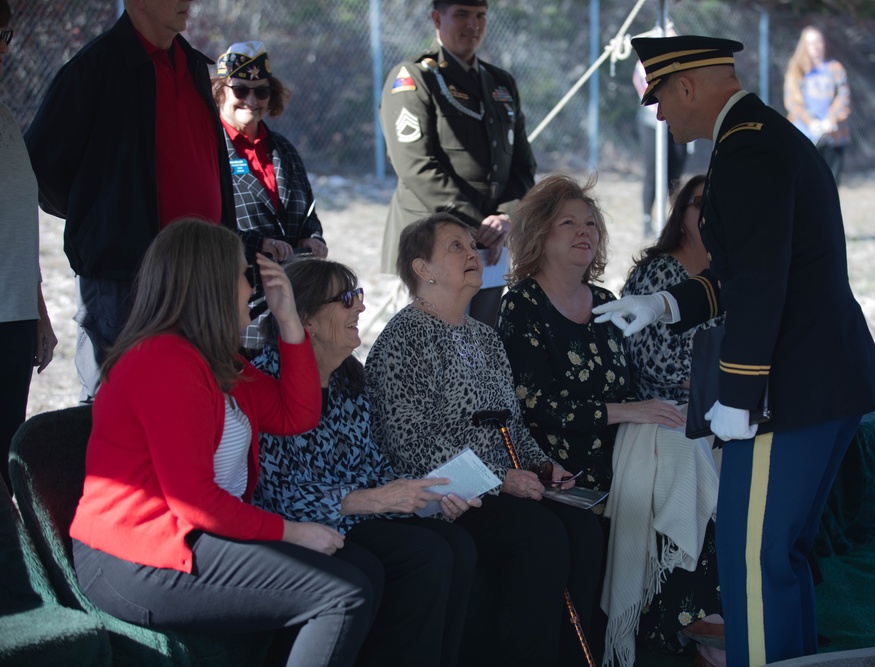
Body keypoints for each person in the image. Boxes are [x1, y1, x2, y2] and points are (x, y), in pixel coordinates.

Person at [594, 36, 875, 667]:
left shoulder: (748, 149)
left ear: (687, 86)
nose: (658, 113)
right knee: (780, 556)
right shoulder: (759, 137)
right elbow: (746, 270)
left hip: (788, 387)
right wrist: (665, 304)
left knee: (753, 559)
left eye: (659, 97)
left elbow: (760, 283)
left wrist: (738, 395)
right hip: (819, 379)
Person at [69, 220, 376, 666]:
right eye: (242, 274)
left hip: (197, 536)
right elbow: (193, 502)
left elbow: (296, 415)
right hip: (137, 558)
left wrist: (290, 322)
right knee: (343, 594)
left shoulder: (215, 359)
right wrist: (292, 531)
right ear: (211, 285)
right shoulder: (163, 362)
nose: (252, 286)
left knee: (361, 570)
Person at [497, 174, 723, 665]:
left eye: (591, 223)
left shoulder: (603, 301)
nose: (585, 232)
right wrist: (626, 412)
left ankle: (692, 620)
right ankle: (689, 621)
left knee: (687, 440)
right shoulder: (522, 304)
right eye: (568, 223)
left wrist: (642, 413)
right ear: (539, 234)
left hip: (616, 448)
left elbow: (625, 384)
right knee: (677, 449)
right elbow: (534, 404)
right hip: (560, 464)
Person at [365, 212, 603, 666]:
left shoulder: (485, 337)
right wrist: (499, 479)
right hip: (448, 495)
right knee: (539, 535)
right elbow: (409, 442)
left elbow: (512, 426)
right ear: (423, 268)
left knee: (584, 528)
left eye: (471, 245)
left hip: (501, 485)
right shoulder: (405, 337)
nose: (472, 253)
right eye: (455, 246)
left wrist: (542, 465)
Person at [253, 258, 478, 667]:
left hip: (354, 517)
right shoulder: (267, 381)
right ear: (307, 320)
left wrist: (429, 492)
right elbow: (278, 495)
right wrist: (375, 500)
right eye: (346, 299)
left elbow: (372, 466)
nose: (360, 305)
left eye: (357, 294)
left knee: (458, 544)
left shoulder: (348, 378)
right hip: (305, 525)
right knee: (424, 554)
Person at [25, 0, 236, 402]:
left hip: (198, 275)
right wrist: (103, 217)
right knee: (117, 404)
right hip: (125, 279)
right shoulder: (94, 70)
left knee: (189, 403)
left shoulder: (192, 64)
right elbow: (40, 166)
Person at [378, 0, 537, 326]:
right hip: (431, 244)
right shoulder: (414, 78)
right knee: (431, 343)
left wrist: (505, 216)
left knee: (482, 341)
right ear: (437, 18)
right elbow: (415, 166)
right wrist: (478, 225)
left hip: (490, 246)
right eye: (462, 14)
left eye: (480, 16)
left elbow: (523, 167)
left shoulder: (500, 83)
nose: (473, 25)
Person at [213, 41, 329, 356]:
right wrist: (257, 244)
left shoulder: (284, 149)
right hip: (235, 305)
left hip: (293, 302)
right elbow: (204, 226)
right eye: (240, 90)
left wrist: (312, 236)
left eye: (261, 91)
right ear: (220, 91)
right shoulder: (208, 147)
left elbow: (308, 212)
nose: (251, 100)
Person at [0, 0, 58, 493]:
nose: (3, 49)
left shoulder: (5, 120)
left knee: (6, 457)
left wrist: (38, 310)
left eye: (6, 36)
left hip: (14, 317)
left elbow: (18, 224)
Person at [622, 175, 722, 405]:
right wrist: (725, 386)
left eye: (719, 203)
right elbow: (653, 360)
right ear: (680, 215)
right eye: (701, 202)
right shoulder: (657, 272)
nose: (711, 210)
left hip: (721, 400)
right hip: (667, 409)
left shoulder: (731, 273)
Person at [632, 23, 688, 237]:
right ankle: (647, 220)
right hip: (652, 122)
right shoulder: (645, 61)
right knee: (653, 172)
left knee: (675, 174)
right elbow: (643, 88)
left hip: (678, 122)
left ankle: (674, 222)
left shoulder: (682, 59)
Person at [783, 26, 851, 184]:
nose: (816, 46)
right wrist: (811, 122)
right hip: (804, 138)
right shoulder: (796, 70)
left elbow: (843, 97)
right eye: (811, 43)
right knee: (805, 185)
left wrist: (831, 119)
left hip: (833, 137)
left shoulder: (835, 68)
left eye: (819, 42)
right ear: (804, 46)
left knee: (830, 185)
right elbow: (792, 101)